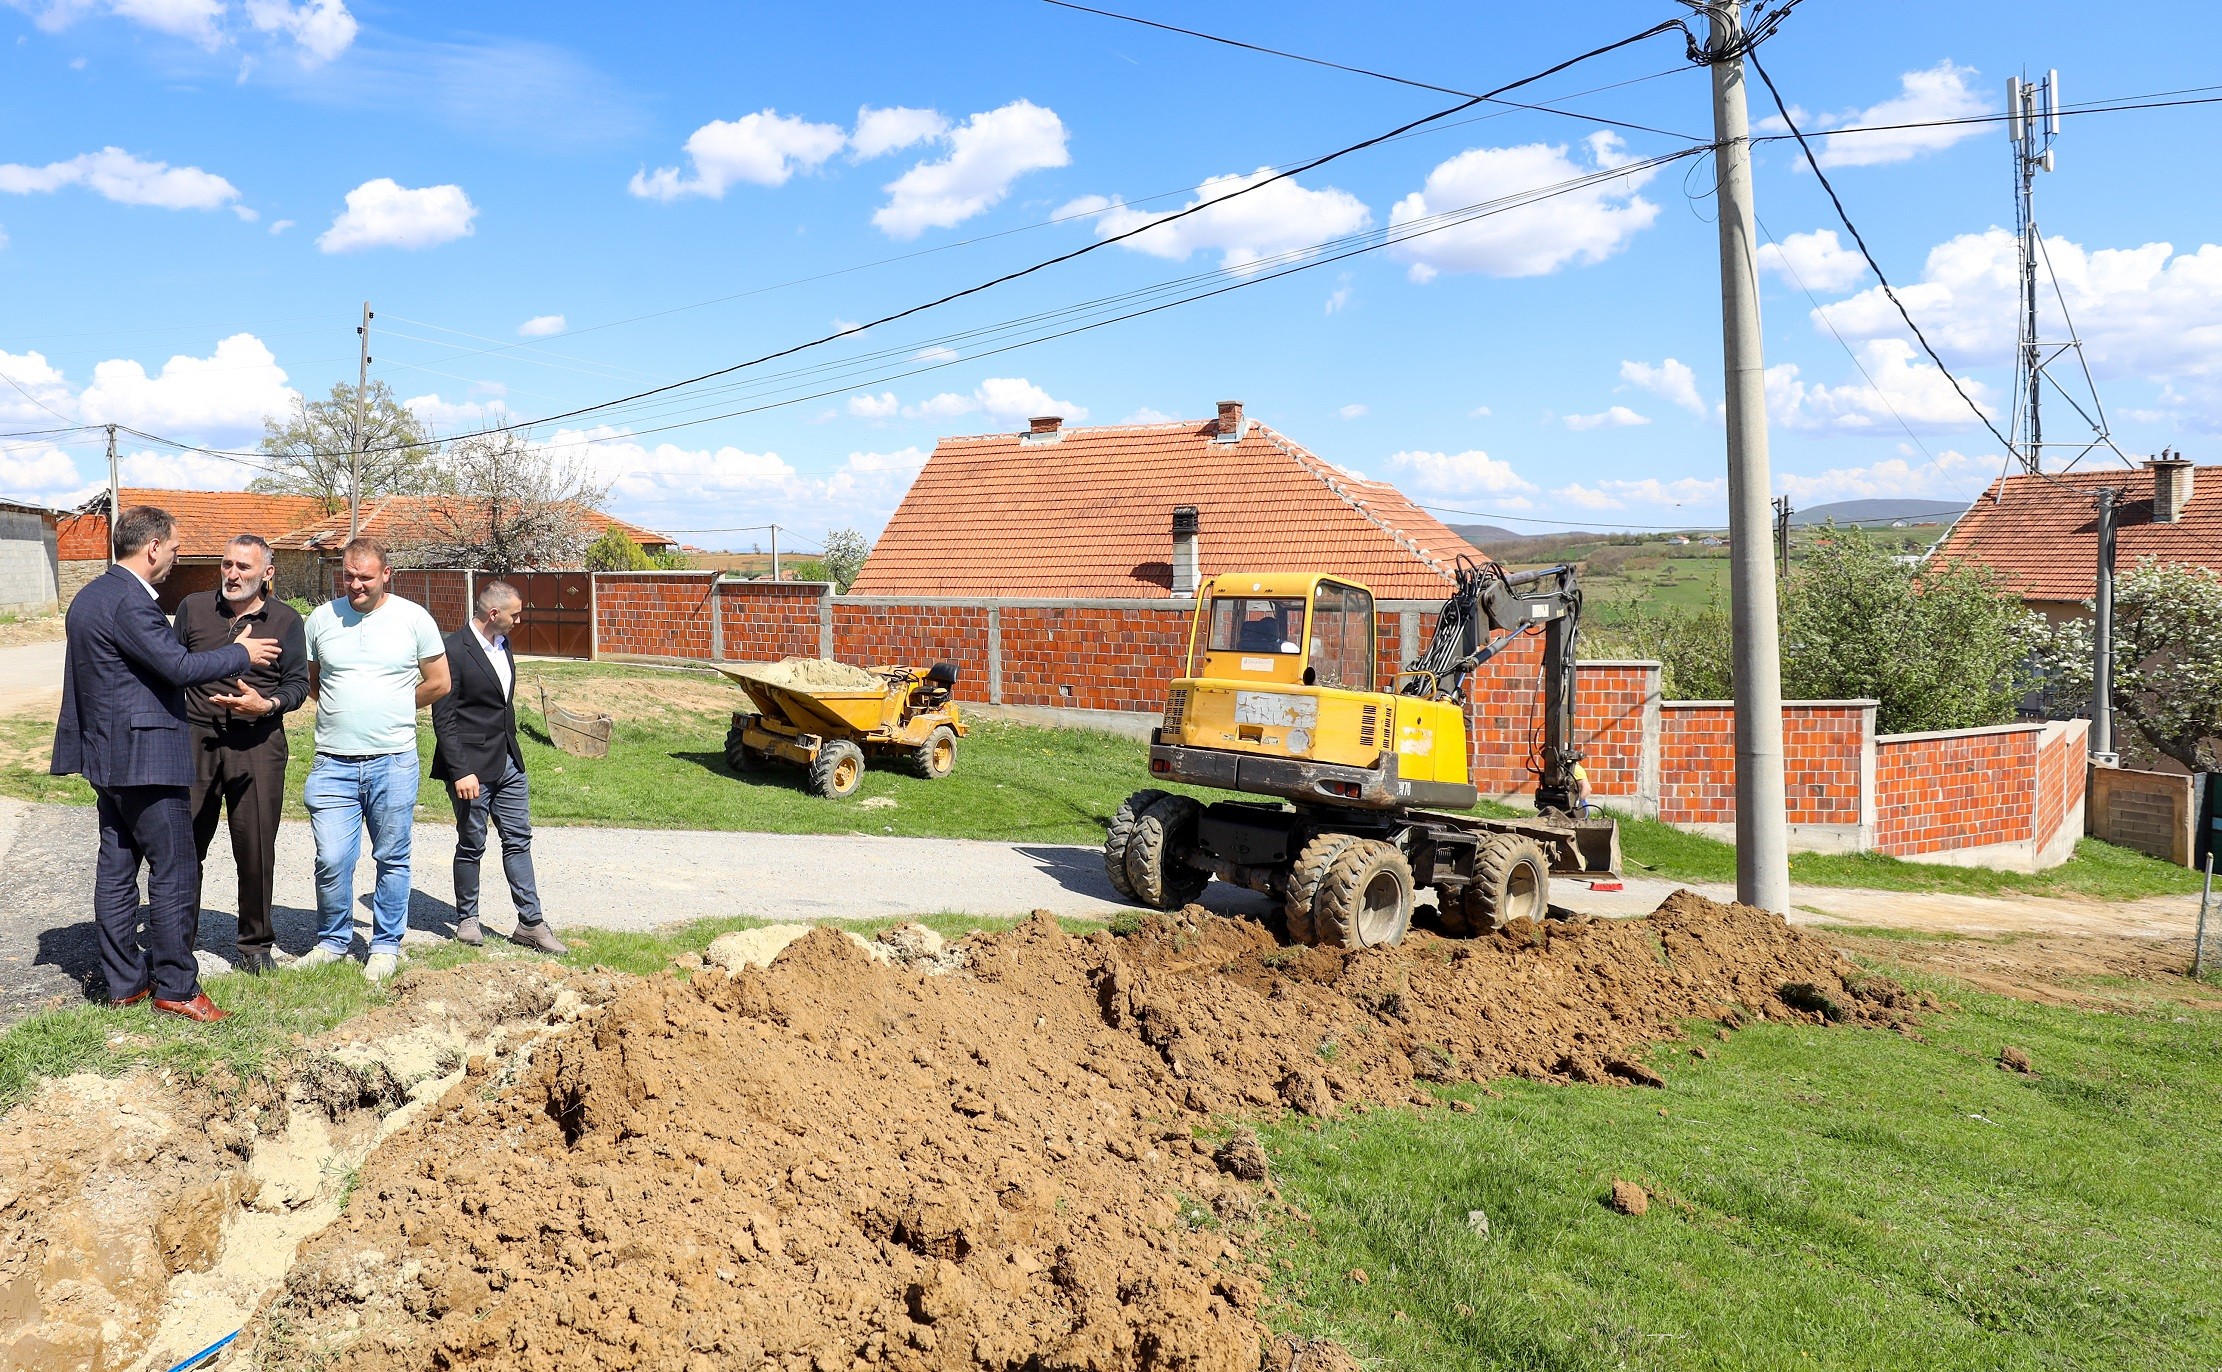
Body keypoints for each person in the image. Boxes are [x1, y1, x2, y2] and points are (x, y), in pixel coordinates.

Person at [50, 506, 281, 1022]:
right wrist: (241, 653)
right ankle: (175, 987)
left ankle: (125, 984)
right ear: (152, 547)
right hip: (146, 760)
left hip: (107, 757)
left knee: (116, 867)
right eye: (175, 549)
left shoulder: (90, 596)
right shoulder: (130, 603)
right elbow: (177, 666)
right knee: (175, 872)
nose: (177, 558)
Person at [299, 537, 450, 981]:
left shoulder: (413, 618)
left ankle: (385, 945)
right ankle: (333, 939)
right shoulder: (322, 620)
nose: (355, 584)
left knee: (392, 857)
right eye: (348, 575)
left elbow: (440, 682)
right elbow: (313, 681)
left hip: (393, 760)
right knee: (332, 857)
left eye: (365, 576)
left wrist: (396, 707)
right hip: (333, 762)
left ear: (386, 574)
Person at [174, 534, 308, 977]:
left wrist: (266, 705)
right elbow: (171, 669)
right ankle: (177, 942)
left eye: (243, 568)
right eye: (227, 564)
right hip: (196, 741)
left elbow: (298, 686)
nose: (232, 574)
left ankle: (255, 945)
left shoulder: (287, 620)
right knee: (186, 844)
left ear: (267, 573)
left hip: (258, 744)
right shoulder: (193, 608)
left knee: (254, 848)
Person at [431, 580, 566, 954]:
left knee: (519, 840)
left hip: (509, 761)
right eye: (515, 614)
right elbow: (444, 718)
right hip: (471, 769)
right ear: (494, 614)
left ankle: (531, 924)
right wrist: (460, 771)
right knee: (472, 842)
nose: (518, 621)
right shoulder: (453, 650)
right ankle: (467, 918)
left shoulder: (504, 646)